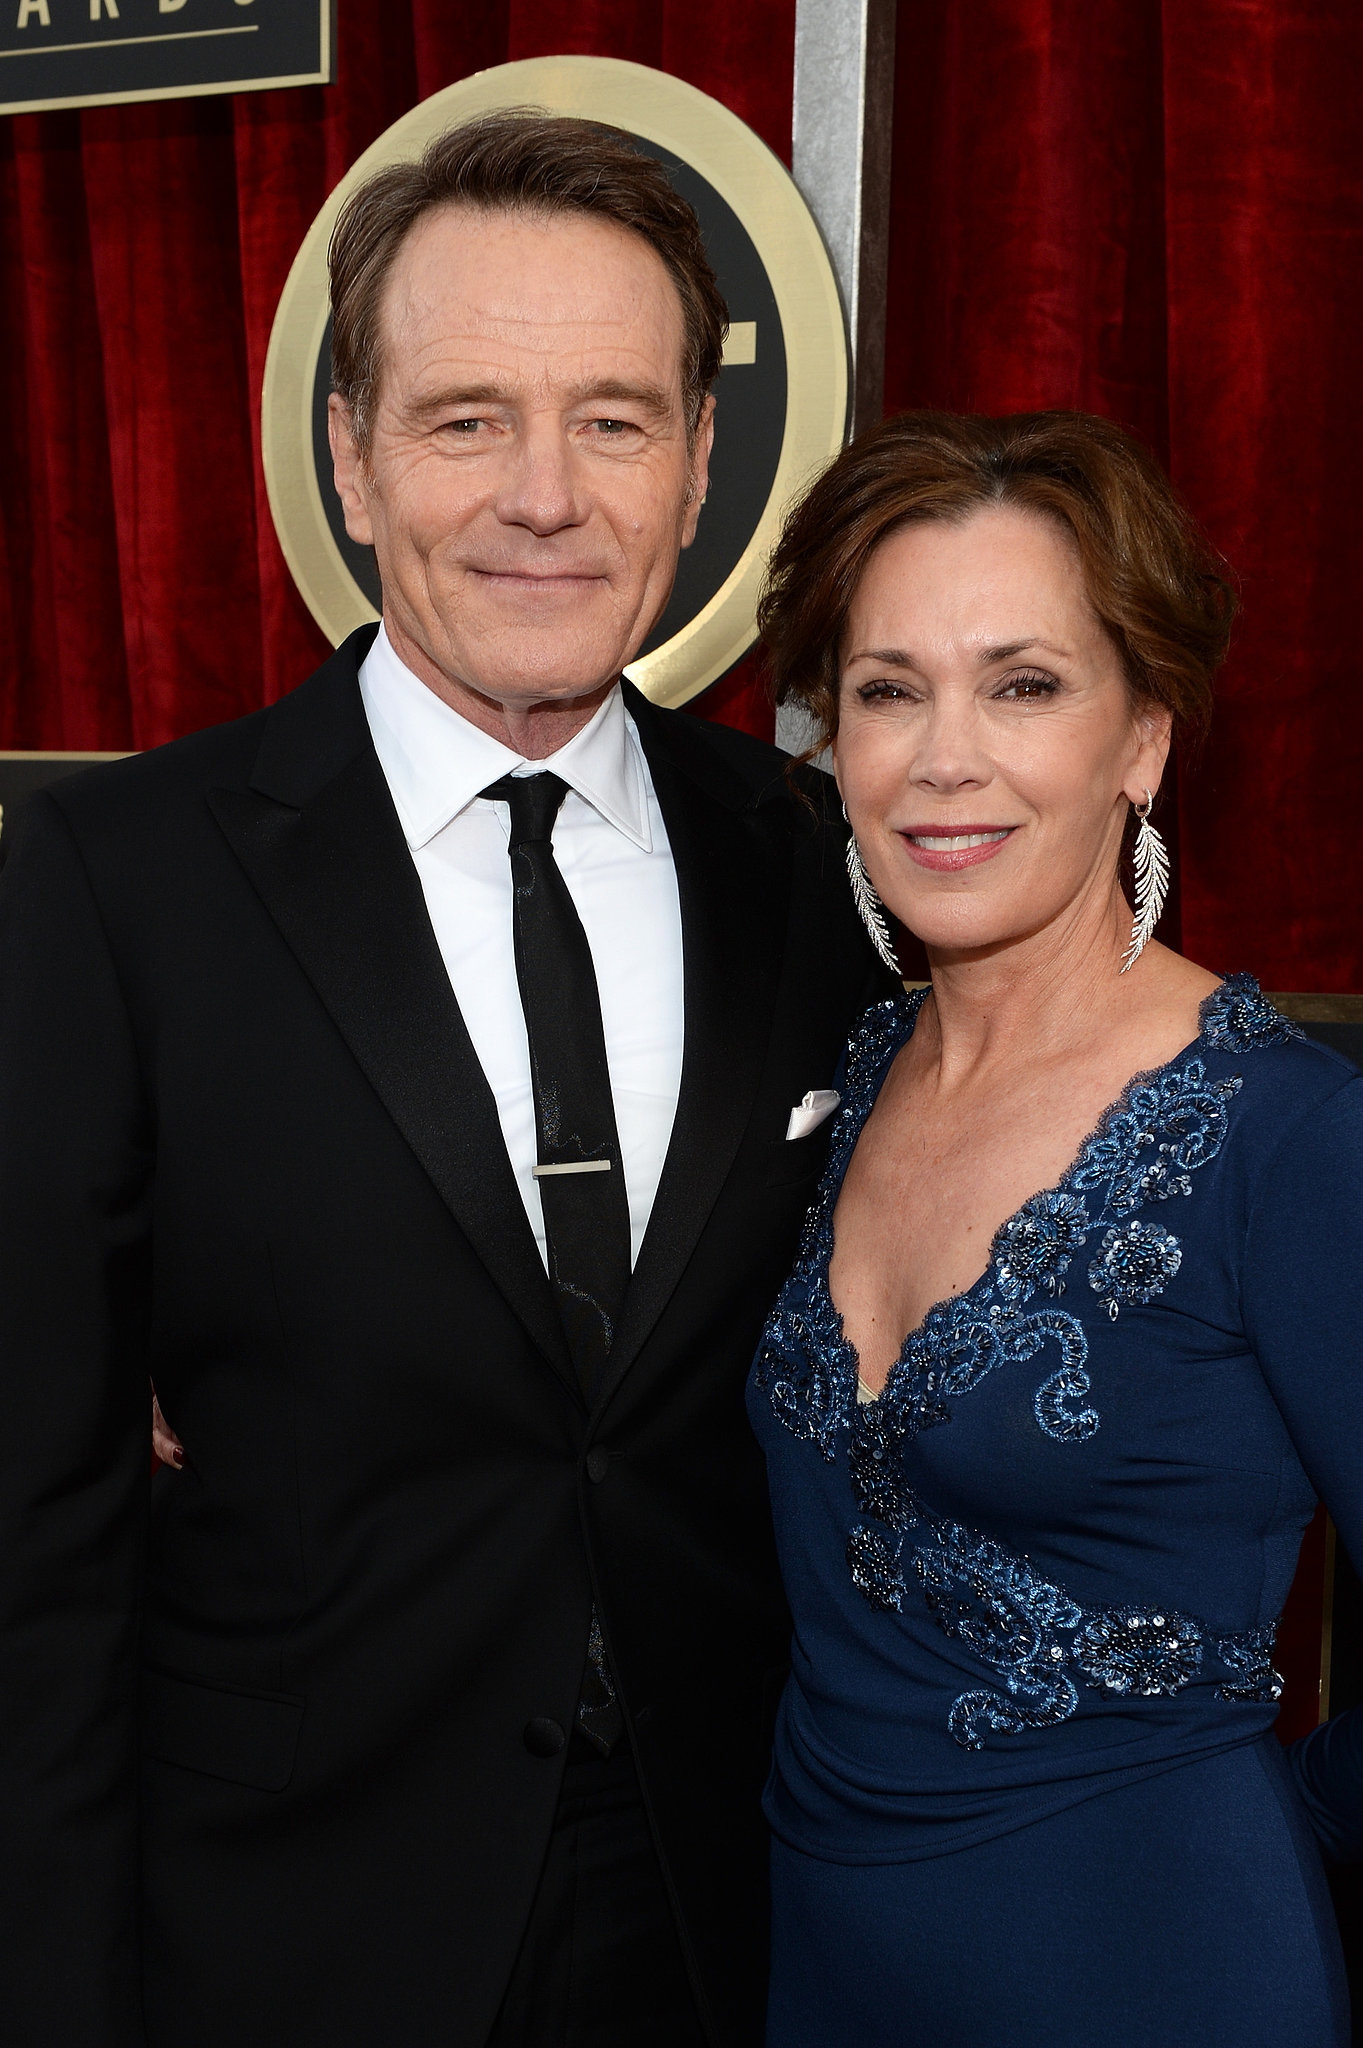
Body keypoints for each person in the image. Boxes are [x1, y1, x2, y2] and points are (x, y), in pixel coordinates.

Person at [0, 115, 889, 2047]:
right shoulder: (117, 881)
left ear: (700, 461)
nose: (544, 497)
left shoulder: (821, 861)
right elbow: (34, 1549)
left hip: (734, 1913)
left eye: (614, 421)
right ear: (352, 453)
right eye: (468, 418)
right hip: (280, 1926)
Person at [747, 408, 1363, 2046]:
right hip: (820, 1962)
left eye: (1023, 685)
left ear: (1143, 738)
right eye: (889, 690)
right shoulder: (854, 1071)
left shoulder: (1289, 1137)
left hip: (1153, 1971)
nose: (943, 758)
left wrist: (1262, 1831)